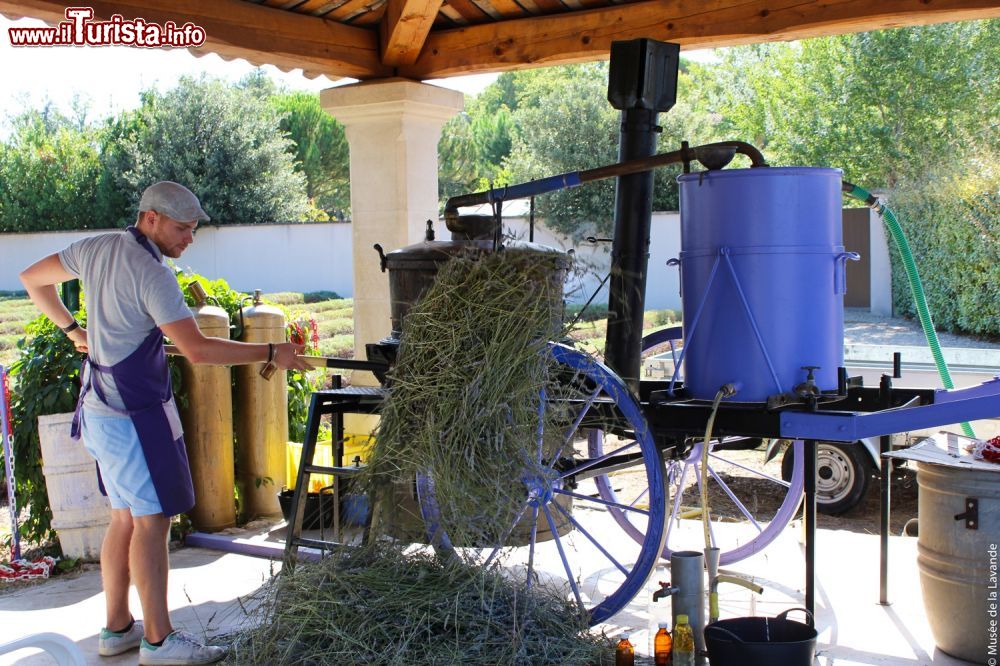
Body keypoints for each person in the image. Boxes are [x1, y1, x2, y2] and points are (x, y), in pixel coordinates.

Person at [19, 181, 311, 665]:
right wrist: (271, 352)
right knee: (152, 522)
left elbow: (33, 278)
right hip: (133, 414)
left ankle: (117, 630)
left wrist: (75, 330)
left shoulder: (97, 248)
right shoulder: (153, 274)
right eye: (181, 229)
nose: (188, 239)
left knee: (124, 517)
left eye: (193, 230)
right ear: (150, 218)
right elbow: (198, 349)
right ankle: (159, 640)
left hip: (98, 407)